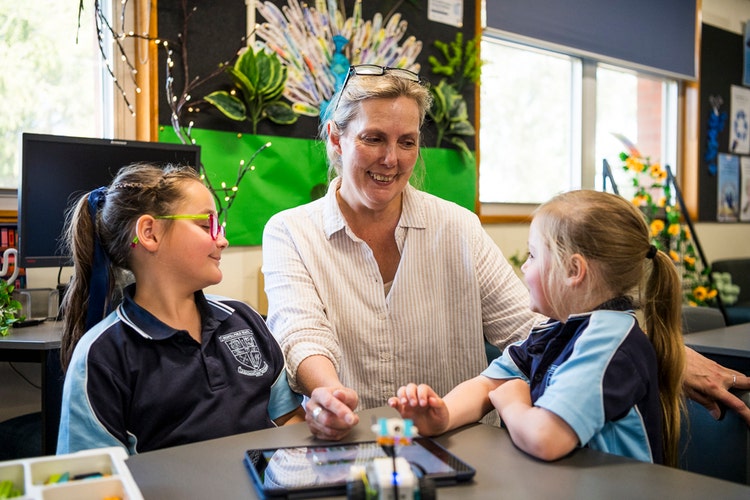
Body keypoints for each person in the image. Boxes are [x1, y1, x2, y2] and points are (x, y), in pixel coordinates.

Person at [262, 64, 750, 442]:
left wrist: (667, 353)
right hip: (356, 448)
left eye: (407, 142)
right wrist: (326, 390)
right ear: (336, 137)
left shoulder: (457, 226)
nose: (392, 159)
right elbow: (302, 333)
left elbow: (536, 330)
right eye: (373, 139)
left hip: (466, 449)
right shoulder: (289, 231)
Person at [390, 190, 688, 465]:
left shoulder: (607, 344)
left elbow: (546, 438)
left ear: (573, 270)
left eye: (533, 256)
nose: (524, 266)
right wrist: (443, 415)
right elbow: (488, 384)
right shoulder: (554, 330)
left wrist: (513, 404)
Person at [57, 163, 304, 455]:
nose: (223, 240)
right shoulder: (102, 355)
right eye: (206, 225)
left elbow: (287, 418)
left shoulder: (243, 320)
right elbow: (93, 479)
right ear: (149, 233)